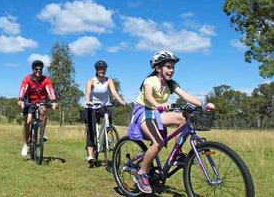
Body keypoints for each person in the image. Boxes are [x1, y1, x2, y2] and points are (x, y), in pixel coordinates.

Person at [127, 51, 215, 194]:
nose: (171, 70)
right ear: (158, 68)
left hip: (157, 112)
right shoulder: (150, 81)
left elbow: (185, 95)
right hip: (144, 111)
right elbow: (148, 97)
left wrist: (202, 105)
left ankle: (177, 153)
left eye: (173, 67)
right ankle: (142, 173)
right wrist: (157, 105)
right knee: (158, 143)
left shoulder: (171, 84)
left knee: (183, 118)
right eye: (168, 67)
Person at [84, 60, 126, 164]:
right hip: (91, 107)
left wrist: (121, 101)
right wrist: (88, 101)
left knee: (108, 118)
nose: (101, 71)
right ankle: (90, 155)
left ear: (106, 70)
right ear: (96, 70)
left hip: (104, 106)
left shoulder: (108, 80)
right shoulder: (91, 81)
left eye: (103, 69)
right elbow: (88, 92)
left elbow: (114, 92)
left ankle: (106, 135)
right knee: (92, 130)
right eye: (99, 69)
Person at [17, 60, 58, 157]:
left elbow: (50, 90)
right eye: (36, 69)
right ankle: (25, 144)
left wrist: (53, 101)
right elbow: (23, 89)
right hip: (29, 102)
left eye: (40, 69)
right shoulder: (27, 79)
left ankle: (42, 132)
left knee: (43, 110)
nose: (38, 71)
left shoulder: (46, 80)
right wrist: (21, 100)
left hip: (41, 101)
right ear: (33, 69)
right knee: (27, 122)